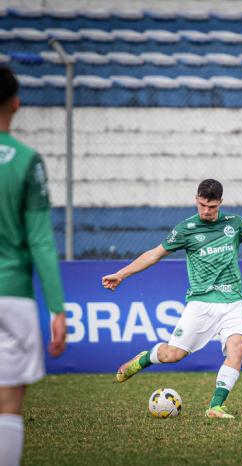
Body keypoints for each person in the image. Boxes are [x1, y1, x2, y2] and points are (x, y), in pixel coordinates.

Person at [102, 179, 242, 419]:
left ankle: (215, 406)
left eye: (211, 206)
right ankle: (143, 360)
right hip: (201, 303)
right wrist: (121, 274)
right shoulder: (185, 229)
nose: (206, 211)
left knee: (237, 346)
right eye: (201, 205)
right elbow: (154, 255)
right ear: (196, 200)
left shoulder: (235, 224)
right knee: (172, 355)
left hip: (233, 301)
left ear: (220, 202)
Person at [0, 66, 67, 466]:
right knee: (8, 406)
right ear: (16, 102)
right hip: (13, 296)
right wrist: (57, 308)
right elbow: (41, 239)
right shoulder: (27, 160)